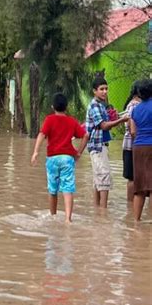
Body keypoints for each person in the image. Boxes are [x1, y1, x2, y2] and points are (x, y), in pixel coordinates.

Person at [31, 93, 89, 223]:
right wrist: (79, 152)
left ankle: (53, 216)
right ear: (66, 107)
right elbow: (85, 135)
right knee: (68, 189)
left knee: (53, 189)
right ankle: (68, 219)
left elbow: (41, 135)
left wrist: (35, 152)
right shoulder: (72, 121)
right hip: (67, 158)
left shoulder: (49, 120)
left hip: (52, 159)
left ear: (53, 107)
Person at [85, 76, 128, 208]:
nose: (104, 92)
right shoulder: (95, 106)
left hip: (101, 146)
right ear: (94, 91)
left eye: (106, 89)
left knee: (98, 179)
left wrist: (114, 118)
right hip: (97, 147)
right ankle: (103, 211)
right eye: (101, 89)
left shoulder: (101, 105)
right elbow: (104, 125)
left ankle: (97, 208)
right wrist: (121, 120)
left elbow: (106, 122)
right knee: (104, 177)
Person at [130, 79, 152, 221]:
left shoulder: (135, 110)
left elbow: (133, 132)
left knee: (139, 188)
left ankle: (136, 222)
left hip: (138, 148)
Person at [122, 81, 141, 202]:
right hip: (132, 145)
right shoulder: (134, 105)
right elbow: (131, 128)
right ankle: (130, 206)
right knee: (132, 178)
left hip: (132, 145)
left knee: (133, 178)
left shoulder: (134, 105)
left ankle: (131, 207)